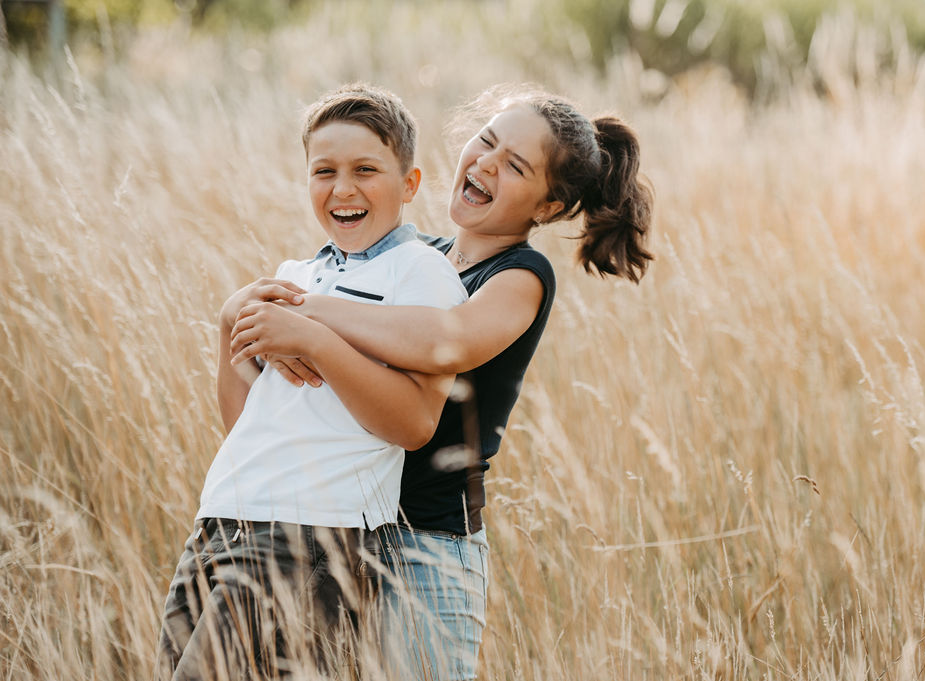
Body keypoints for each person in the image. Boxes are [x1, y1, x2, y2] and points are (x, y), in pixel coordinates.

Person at [230, 84, 654, 680]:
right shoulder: (413, 260)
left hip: (428, 548)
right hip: (340, 533)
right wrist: (245, 318)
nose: (487, 163)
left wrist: (309, 314)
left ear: (548, 207)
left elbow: (443, 341)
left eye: (516, 165)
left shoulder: (521, 276)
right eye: (486, 141)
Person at [153, 84, 467, 681]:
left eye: (365, 170)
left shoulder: (420, 272)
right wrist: (229, 325)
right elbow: (248, 423)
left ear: (409, 184)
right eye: (324, 171)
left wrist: (316, 342)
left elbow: (415, 424)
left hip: (312, 532)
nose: (342, 189)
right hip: (223, 519)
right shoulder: (294, 275)